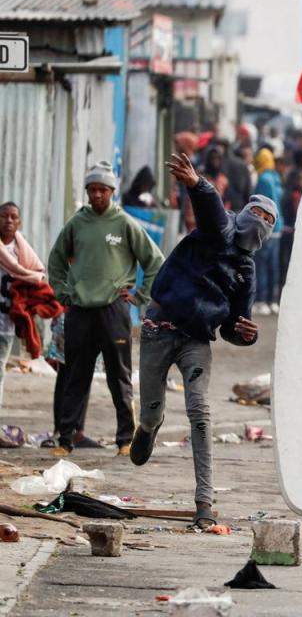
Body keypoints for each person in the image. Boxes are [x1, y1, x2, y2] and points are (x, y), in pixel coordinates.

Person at [130, 153, 275, 529]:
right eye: (258, 214)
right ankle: (149, 427)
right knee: (149, 410)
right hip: (159, 328)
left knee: (200, 413)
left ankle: (204, 501)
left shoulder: (246, 269)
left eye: (269, 222)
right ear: (244, 213)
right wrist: (197, 183)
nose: (260, 223)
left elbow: (233, 324)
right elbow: (209, 207)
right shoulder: (220, 230)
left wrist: (246, 334)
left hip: (196, 341)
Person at [47, 161, 164, 455]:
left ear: (111, 191)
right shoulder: (77, 223)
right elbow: (56, 261)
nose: (97, 195)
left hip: (114, 311)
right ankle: (65, 439)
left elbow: (154, 261)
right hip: (80, 311)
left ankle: (125, 439)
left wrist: (139, 296)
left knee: (119, 376)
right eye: (92, 189)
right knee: (76, 374)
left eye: (102, 190)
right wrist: (63, 293)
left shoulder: (124, 223)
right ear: (87, 191)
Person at [0, 202, 47, 412]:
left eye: (13, 217)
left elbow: (38, 276)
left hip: (6, 323)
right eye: (4, 216)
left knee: (0, 370)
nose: (8, 221)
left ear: (19, 222)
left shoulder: (22, 253)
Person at [252, 148, 284, 315]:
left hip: (267, 227)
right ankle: (273, 300)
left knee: (262, 264)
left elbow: (262, 205)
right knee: (273, 265)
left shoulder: (263, 179)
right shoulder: (276, 177)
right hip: (279, 226)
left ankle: (261, 300)